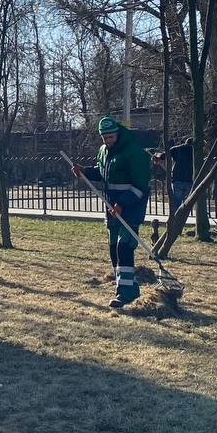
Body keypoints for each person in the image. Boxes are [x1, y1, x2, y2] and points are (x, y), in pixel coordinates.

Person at [71, 115, 151, 308]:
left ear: (118, 134)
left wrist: (123, 204)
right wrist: (85, 171)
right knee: (114, 251)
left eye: (111, 137)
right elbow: (102, 172)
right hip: (112, 208)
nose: (107, 141)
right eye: (104, 138)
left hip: (130, 208)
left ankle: (126, 294)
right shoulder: (103, 151)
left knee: (124, 247)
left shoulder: (134, 152)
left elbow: (140, 186)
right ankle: (126, 286)